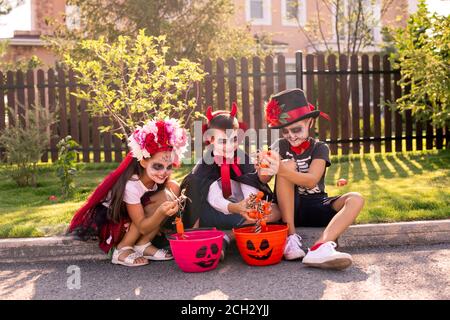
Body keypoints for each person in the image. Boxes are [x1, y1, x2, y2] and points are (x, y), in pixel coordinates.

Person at [261, 88, 364, 270]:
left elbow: (311, 181)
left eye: (296, 129)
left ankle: (320, 247)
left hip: (316, 204)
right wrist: (264, 165)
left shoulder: (320, 148)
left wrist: (281, 168)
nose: (291, 136)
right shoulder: (279, 146)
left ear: (309, 122)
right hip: (288, 209)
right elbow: (263, 178)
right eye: (285, 131)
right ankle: (291, 238)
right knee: (288, 165)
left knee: (356, 198)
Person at [68, 118, 188, 267]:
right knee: (164, 200)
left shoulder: (158, 180)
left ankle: (143, 245)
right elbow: (143, 226)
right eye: (157, 166)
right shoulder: (132, 185)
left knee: (173, 189)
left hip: (135, 217)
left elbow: (164, 195)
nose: (164, 172)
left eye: (168, 166)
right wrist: (160, 214)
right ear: (143, 162)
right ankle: (122, 250)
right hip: (116, 223)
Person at [180, 103, 281, 259]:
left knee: (275, 211)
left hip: (241, 215)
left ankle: (227, 238)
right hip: (212, 213)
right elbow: (214, 199)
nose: (230, 146)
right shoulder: (205, 163)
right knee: (194, 189)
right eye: (223, 142)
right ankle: (199, 239)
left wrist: (250, 205)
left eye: (234, 139)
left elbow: (251, 188)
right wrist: (237, 208)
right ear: (211, 140)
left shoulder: (242, 158)